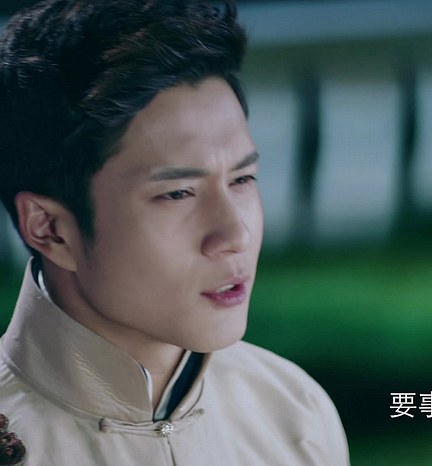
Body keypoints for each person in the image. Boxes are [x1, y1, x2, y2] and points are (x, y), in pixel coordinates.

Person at [0, 0, 350, 464]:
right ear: (50, 229)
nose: (235, 235)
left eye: (242, 179)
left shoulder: (293, 411)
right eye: (178, 193)